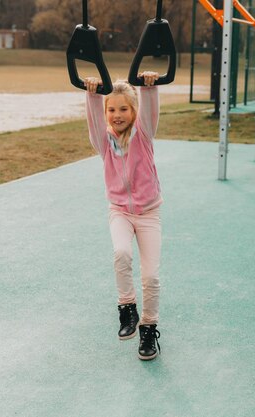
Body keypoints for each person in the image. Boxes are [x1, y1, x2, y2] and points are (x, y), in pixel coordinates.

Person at [84, 72, 162, 361]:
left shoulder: (144, 134)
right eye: (111, 109)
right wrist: (92, 94)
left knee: (151, 276)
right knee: (121, 253)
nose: (117, 115)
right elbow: (93, 121)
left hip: (149, 213)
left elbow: (150, 109)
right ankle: (127, 309)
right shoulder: (104, 142)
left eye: (124, 109)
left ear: (134, 111)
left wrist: (148, 87)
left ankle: (148, 328)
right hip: (119, 211)